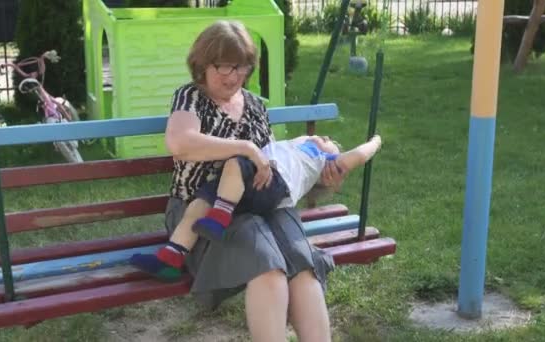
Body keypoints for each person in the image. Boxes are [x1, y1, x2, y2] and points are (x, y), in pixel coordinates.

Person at [147, 20, 348, 342]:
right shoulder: (191, 98)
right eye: (223, 66)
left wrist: (321, 170)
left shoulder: (255, 105)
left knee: (302, 263)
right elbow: (180, 142)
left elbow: (274, 164)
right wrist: (244, 147)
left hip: (262, 204)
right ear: (202, 64)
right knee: (268, 267)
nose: (233, 76)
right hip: (202, 212)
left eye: (241, 67)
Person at [131, 134, 382, 280]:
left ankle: (219, 219)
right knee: (201, 201)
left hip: (272, 182)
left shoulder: (320, 159)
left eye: (330, 142)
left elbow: (358, 155)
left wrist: (376, 142)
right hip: (237, 188)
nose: (326, 138)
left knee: (234, 164)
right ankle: (172, 257)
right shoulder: (290, 145)